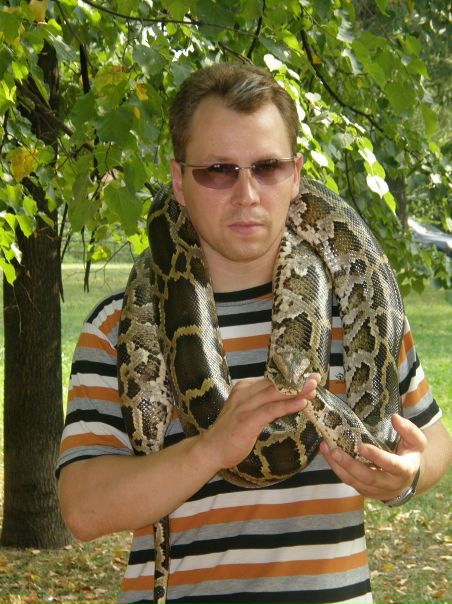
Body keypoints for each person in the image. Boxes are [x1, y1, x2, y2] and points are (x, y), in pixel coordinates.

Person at [57, 63, 452, 604]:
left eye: (267, 167)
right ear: (178, 181)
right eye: (218, 170)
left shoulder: (359, 311)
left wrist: (407, 476)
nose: (246, 193)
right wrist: (211, 449)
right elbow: (82, 509)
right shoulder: (118, 323)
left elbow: (433, 441)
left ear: (297, 175)